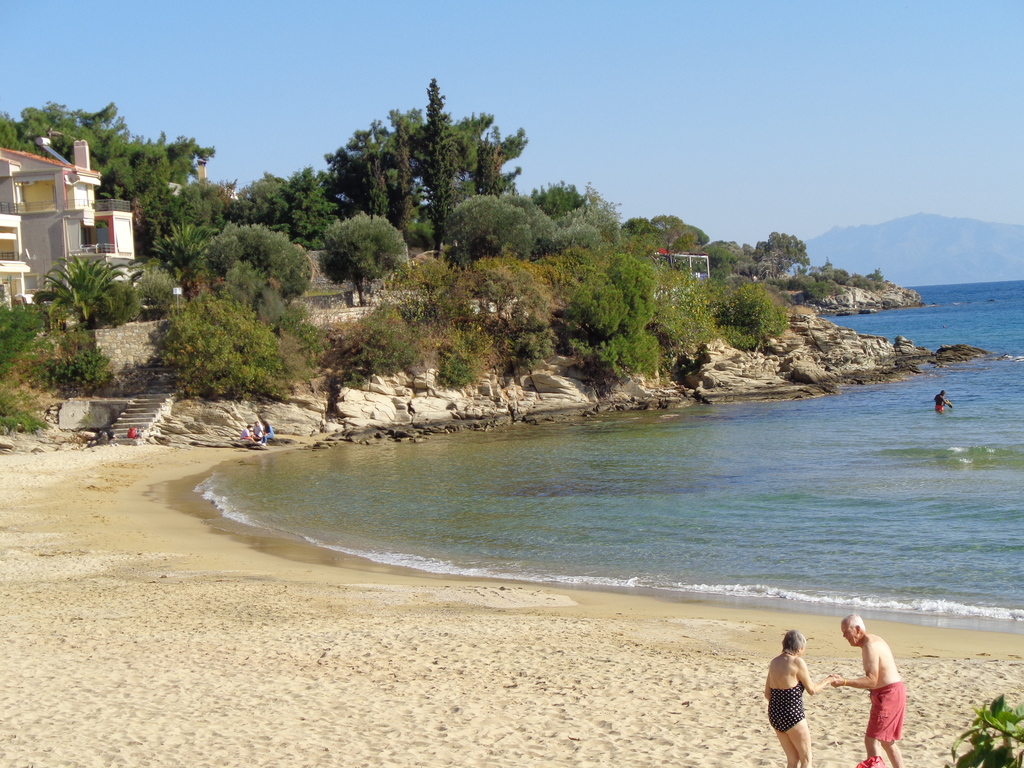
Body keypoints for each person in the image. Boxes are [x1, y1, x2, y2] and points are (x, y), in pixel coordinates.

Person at [832, 614, 906, 768]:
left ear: (857, 629)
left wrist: (844, 682)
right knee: (886, 740)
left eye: (846, 631)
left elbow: (872, 680)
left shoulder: (869, 645)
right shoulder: (873, 640)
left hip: (888, 694)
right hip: (894, 692)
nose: (844, 636)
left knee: (872, 739)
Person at [764, 629, 837, 768]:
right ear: (799, 648)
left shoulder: (774, 662)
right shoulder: (797, 662)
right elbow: (812, 690)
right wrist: (828, 680)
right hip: (793, 715)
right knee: (806, 760)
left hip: (774, 714)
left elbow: (767, 694)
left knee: (792, 759)